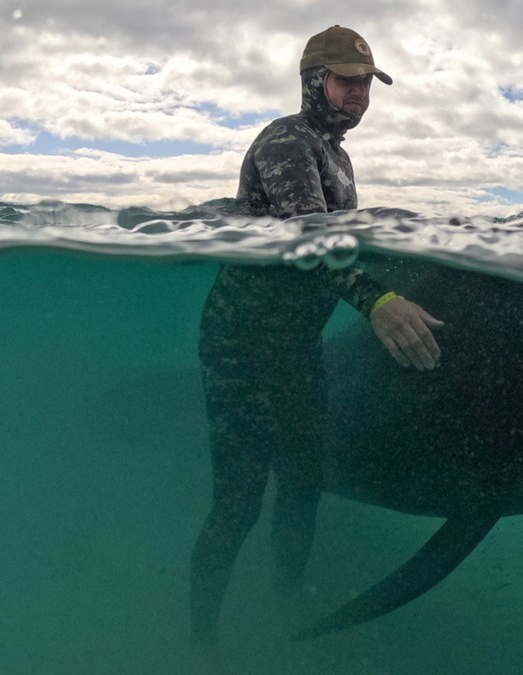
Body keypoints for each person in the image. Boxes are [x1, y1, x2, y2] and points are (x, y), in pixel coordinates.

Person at [189, 25, 443, 645]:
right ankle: (202, 642)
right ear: (313, 82)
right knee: (238, 504)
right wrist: (377, 300)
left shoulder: (338, 155)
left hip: (296, 349)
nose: (359, 94)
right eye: (346, 80)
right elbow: (312, 239)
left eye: (366, 83)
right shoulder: (287, 141)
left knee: (303, 485)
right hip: (243, 349)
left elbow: (341, 244)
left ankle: (286, 610)